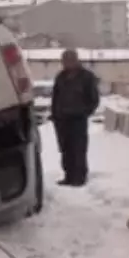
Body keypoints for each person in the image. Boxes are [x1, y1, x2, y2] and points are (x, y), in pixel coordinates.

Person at [50, 49, 101, 187]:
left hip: (78, 120)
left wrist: (84, 112)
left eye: (69, 60)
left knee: (78, 148)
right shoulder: (60, 77)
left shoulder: (87, 77)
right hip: (62, 120)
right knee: (65, 148)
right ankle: (69, 175)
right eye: (64, 61)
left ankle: (80, 177)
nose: (66, 63)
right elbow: (55, 98)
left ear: (76, 60)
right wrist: (55, 115)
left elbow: (94, 99)